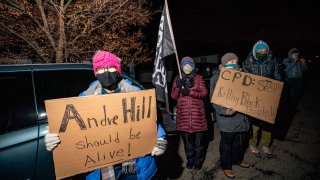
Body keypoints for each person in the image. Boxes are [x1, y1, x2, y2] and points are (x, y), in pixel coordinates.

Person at [45, 51, 167, 180]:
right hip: (103, 170)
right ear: (96, 73)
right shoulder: (84, 100)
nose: (106, 72)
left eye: (111, 67)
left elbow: (149, 121)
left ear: (118, 70)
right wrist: (58, 141)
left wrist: (160, 139)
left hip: (134, 166)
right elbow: (75, 135)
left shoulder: (136, 94)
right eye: (101, 69)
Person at [210, 53, 250, 178]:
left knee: (240, 142)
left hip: (242, 117)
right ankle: (227, 166)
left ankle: (237, 160)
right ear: (225, 62)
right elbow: (213, 99)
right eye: (231, 61)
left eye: (236, 61)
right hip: (227, 119)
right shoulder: (216, 78)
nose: (235, 63)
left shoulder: (243, 75)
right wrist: (225, 111)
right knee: (227, 143)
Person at [242, 40, 282, 159]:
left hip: (268, 97)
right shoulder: (248, 62)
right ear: (255, 51)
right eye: (259, 51)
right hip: (254, 97)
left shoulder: (272, 61)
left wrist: (277, 87)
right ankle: (252, 143)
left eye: (264, 51)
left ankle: (266, 144)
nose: (262, 53)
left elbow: (278, 78)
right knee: (254, 123)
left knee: (267, 123)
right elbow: (243, 79)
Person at [171, 56, 208, 170]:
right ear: (181, 67)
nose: (187, 68)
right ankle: (190, 160)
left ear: (193, 66)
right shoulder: (178, 79)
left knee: (199, 145)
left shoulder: (198, 78)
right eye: (185, 66)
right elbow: (173, 96)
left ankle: (198, 161)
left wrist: (190, 92)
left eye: (189, 65)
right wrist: (178, 86)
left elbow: (204, 93)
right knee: (188, 144)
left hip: (198, 118)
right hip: (184, 119)